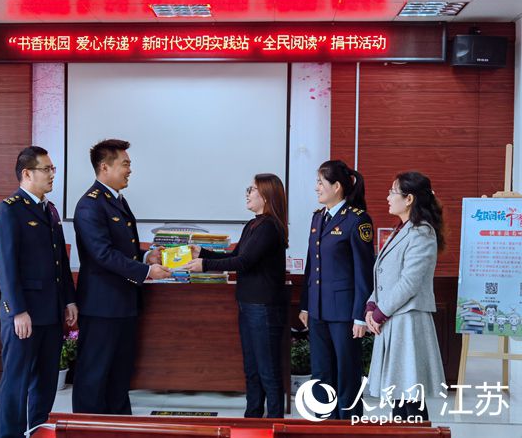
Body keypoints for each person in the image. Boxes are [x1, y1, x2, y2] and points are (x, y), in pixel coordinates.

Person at [72, 138, 171, 415]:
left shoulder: (116, 200)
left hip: (123, 303)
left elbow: (122, 248)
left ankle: (119, 426)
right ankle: (88, 430)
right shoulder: (90, 205)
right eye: (125, 164)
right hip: (102, 306)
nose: (130, 170)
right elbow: (102, 254)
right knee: (94, 374)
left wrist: (146, 257)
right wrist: (146, 271)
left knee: (119, 374)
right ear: (105, 167)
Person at [183, 173, 289, 418]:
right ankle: (252, 418)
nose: (247, 194)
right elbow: (235, 255)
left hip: (263, 307)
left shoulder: (270, 227)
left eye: (252, 189)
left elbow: (244, 262)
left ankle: (274, 422)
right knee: (252, 369)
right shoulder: (253, 224)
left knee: (268, 371)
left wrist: (205, 265)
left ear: (266, 195)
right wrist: (202, 252)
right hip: (248, 305)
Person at [0, 146, 77, 438]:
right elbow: (5, 266)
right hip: (24, 314)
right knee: (17, 381)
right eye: (46, 169)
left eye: (53, 169)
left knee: (46, 381)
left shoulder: (49, 210)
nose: (52, 174)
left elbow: (60, 260)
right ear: (27, 173)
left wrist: (69, 299)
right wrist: (18, 311)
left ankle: (37, 431)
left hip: (50, 311)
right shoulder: (8, 210)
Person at [365, 172, 446, 420]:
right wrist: (371, 304)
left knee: (411, 397)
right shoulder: (402, 230)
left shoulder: (422, 233)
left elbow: (409, 282)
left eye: (393, 192)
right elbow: (386, 276)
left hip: (408, 322)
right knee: (399, 396)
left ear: (409, 199)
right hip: (394, 319)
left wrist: (380, 312)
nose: (388, 197)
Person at [299, 160, 374, 419]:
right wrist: (306, 305)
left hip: (344, 313)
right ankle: (325, 424)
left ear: (337, 186)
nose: (316, 188)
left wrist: (360, 315)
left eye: (321, 182)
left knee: (347, 374)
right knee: (321, 374)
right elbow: (312, 265)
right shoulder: (318, 217)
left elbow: (364, 272)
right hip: (318, 310)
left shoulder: (357, 220)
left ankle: (350, 427)